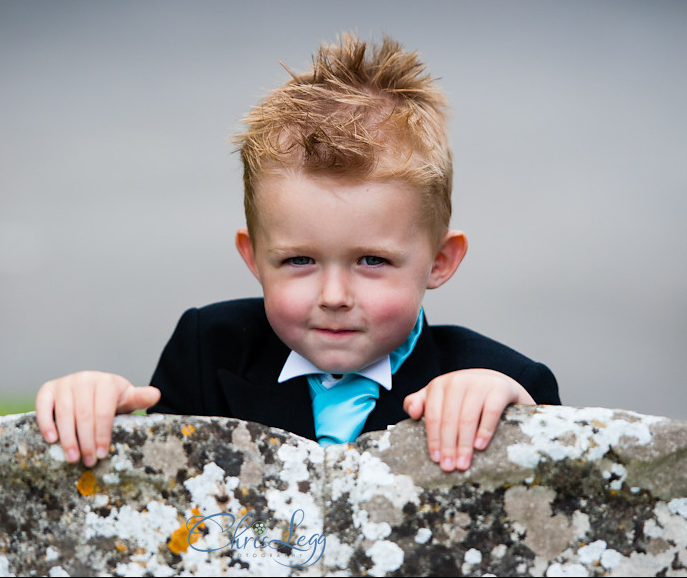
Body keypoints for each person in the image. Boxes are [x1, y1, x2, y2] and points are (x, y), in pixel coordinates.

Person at [36, 33, 560, 474]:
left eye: (372, 261)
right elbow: (154, 498)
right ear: (254, 257)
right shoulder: (208, 352)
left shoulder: (499, 378)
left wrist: (516, 413)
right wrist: (96, 405)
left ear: (440, 261)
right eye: (299, 261)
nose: (334, 296)